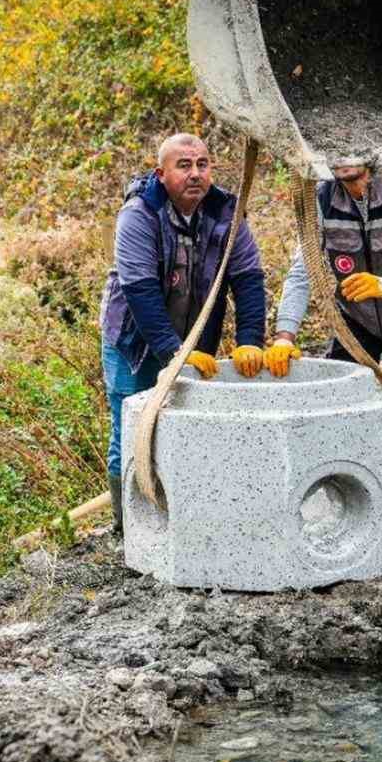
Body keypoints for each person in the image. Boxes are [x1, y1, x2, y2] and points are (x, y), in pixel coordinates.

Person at [267, 156, 382, 536]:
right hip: (358, 321)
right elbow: (304, 271)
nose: (344, 159)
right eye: (335, 152)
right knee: (333, 404)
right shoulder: (320, 199)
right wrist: (285, 335)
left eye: (353, 150)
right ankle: (337, 497)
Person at [98, 134, 267, 533]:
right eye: (184, 165)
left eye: (203, 164)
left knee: (189, 428)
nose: (195, 173)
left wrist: (248, 340)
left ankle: (187, 522)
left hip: (194, 338)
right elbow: (140, 292)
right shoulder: (139, 213)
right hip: (134, 341)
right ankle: (129, 530)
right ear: (161, 173)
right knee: (132, 429)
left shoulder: (227, 212)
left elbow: (248, 279)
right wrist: (174, 353)